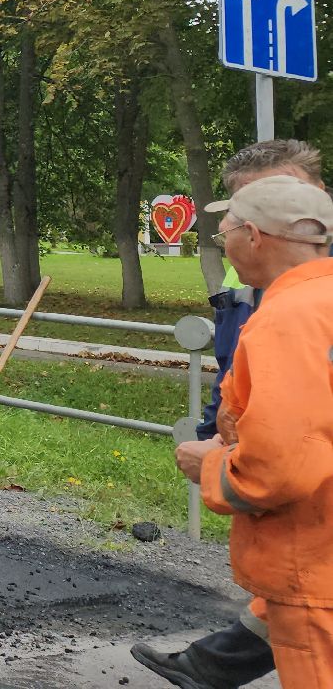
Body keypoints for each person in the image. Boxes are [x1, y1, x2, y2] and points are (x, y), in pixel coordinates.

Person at [133, 139, 322, 687]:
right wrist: (222, 426)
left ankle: (210, 665)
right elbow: (241, 371)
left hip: (311, 535)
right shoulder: (278, 294)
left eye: (237, 224)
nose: (232, 234)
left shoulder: (295, 312)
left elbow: (283, 463)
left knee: (307, 610)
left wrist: (218, 468)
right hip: (303, 524)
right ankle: (211, 665)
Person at [173, 174, 333, 687]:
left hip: (312, 560)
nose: (226, 246)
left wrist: (212, 466)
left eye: (226, 234)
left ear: (255, 236)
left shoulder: (285, 320)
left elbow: (280, 468)